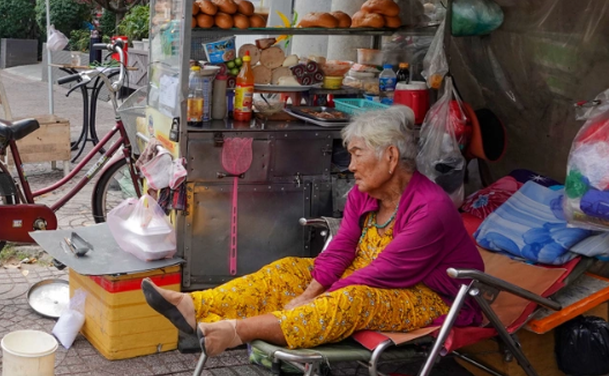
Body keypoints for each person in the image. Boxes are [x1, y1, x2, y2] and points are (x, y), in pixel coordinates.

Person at [143, 106, 485, 356]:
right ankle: (193, 304)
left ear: (390, 157)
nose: (350, 166)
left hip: (430, 296)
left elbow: (385, 272)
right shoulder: (365, 193)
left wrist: (316, 298)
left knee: (350, 300)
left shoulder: (430, 208)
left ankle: (235, 331)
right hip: (367, 276)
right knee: (287, 270)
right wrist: (309, 290)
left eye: (357, 155)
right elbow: (341, 248)